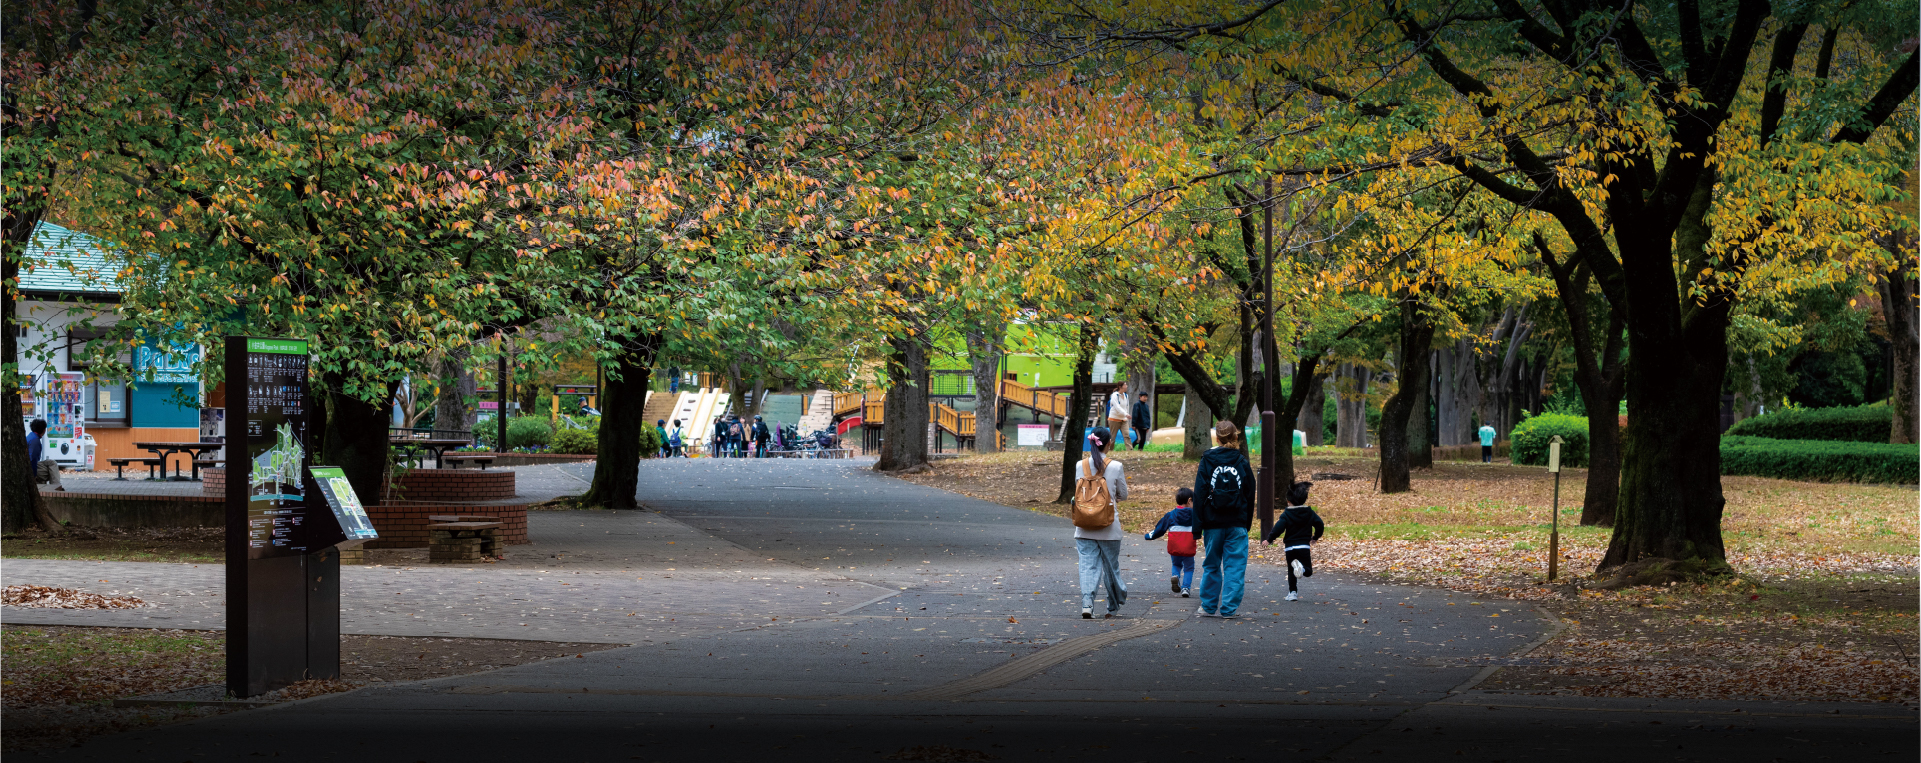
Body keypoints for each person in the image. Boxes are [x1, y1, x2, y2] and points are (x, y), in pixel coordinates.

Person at [1191, 421, 1254, 618]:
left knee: (1211, 565)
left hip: (1212, 522)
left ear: (1217, 438)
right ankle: (1229, 608)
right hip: (1237, 522)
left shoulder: (1207, 459)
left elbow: (1199, 493)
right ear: (1236, 437)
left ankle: (1208, 606)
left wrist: (1197, 526)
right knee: (1235, 566)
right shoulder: (1241, 461)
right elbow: (1250, 492)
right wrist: (1246, 522)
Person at [1073, 426, 1129, 619]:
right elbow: (1123, 494)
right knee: (1111, 568)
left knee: (1087, 566)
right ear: (1109, 444)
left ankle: (1087, 604)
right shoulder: (1116, 466)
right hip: (1109, 527)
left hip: (1084, 525)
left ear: (1091, 442)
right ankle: (1113, 606)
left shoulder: (1080, 465)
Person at [1262, 481, 1325, 601]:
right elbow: (1320, 524)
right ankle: (1302, 568)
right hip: (1303, 546)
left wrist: (1269, 539)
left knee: (1291, 570)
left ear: (1289, 501)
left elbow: (1278, 528)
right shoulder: (1309, 513)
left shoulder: (1287, 514)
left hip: (1290, 547)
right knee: (1308, 571)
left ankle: (1292, 593)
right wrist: (1315, 537)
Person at [1145, 487, 1198, 597]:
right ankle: (1185, 588)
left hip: (1175, 547)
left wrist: (1149, 535)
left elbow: (1160, 529)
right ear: (1189, 501)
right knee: (1189, 567)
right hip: (1188, 547)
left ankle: (1175, 576)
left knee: (1176, 564)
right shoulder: (1195, 516)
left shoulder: (1171, 515)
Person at [25, 419, 64, 492]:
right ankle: (57, 487)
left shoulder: (31, 436)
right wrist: (33, 476)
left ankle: (55, 486)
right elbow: (33, 459)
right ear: (43, 430)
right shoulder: (35, 441)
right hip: (29, 467)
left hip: (29, 465)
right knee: (52, 469)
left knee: (52, 463)